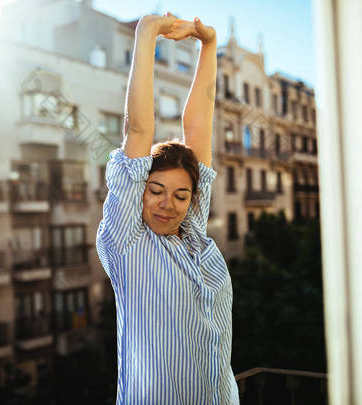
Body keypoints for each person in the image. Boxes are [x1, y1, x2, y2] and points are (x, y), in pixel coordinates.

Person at [96, 12, 240, 404]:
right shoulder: (125, 242)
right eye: (155, 189)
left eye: (180, 195)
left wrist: (208, 46)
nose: (167, 205)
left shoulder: (193, 235)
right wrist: (147, 31)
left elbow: (198, 128)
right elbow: (138, 130)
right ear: (139, 189)